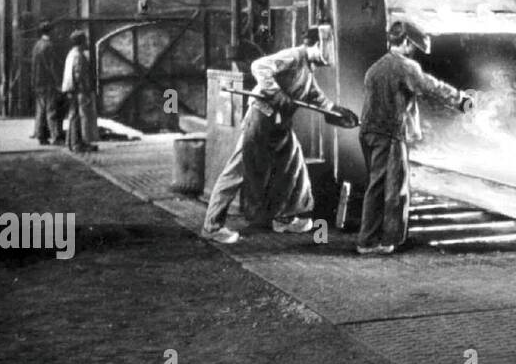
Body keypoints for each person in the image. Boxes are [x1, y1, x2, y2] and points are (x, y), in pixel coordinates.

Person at [200, 27, 356, 245]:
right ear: (315, 45)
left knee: (293, 164)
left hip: (280, 121)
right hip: (261, 116)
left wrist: (334, 110)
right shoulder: (294, 56)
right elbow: (259, 66)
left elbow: (314, 95)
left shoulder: (307, 70)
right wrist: (278, 93)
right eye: (323, 49)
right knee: (239, 169)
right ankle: (212, 226)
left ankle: (284, 217)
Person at [357, 20, 473, 255]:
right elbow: (431, 86)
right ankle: (381, 241)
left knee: (376, 187)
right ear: (407, 42)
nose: (415, 52)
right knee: (395, 189)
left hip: (369, 132)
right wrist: (461, 100)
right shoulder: (405, 66)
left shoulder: (375, 68)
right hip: (389, 134)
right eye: (414, 47)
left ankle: (369, 239)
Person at [30, 22, 66, 146]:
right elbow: (52, 67)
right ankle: (56, 137)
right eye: (54, 30)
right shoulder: (49, 46)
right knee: (52, 110)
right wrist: (59, 83)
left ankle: (41, 136)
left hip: (38, 83)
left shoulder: (37, 45)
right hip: (48, 84)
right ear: (50, 31)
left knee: (41, 111)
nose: (56, 32)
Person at [61, 33, 97, 152]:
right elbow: (79, 75)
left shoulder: (72, 53)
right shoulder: (78, 56)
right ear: (81, 42)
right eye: (85, 40)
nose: (87, 42)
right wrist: (85, 90)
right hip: (78, 90)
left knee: (73, 116)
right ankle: (78, 144)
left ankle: (71, 142)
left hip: (71, 89)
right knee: (81, 117)